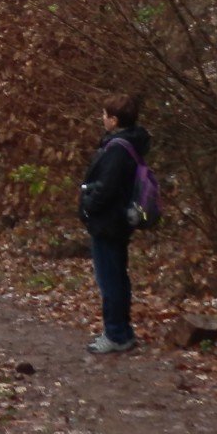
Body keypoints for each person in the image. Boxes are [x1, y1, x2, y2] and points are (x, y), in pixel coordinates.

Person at [78, 93, 150, 354]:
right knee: (118, 277)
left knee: (110, 280)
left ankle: (116, 334)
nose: (103, 118)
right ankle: (122, 331)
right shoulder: (131, 143)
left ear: (114, 120)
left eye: (106, 114)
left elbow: (106, 188)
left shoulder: (118, 149)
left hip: (109, 222)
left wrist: (87, 205)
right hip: (119, 220)